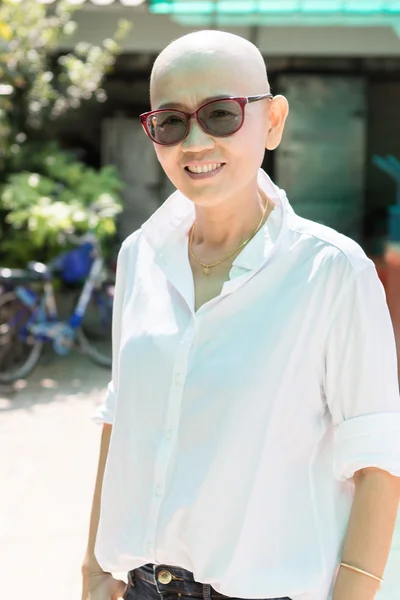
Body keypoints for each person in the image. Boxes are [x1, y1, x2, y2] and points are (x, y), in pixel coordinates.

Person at [81, 30, 400, 600]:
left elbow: (379, 461)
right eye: (172, 122)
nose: (195, 141)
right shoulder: (140, 258)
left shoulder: (331, 271)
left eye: (221, 114)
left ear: (273, 121)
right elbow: (119, 417)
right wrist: (92, 574)